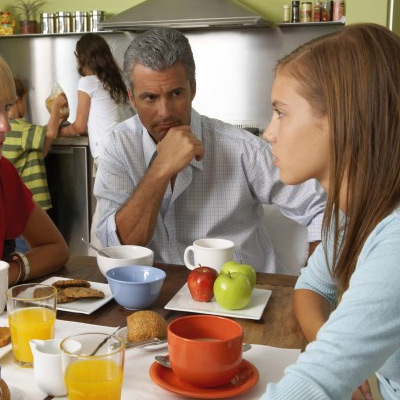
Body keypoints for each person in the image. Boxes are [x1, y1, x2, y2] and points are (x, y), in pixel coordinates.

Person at [94, 27, 326, 273]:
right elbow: (116, 246)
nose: (165, 112)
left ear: (193, 89)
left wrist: (313, 284)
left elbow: (325, 208)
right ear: (131, 97)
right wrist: (161, 169)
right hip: (155, 299)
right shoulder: (119, 147)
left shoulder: (242, 149)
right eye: (150, 97)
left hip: (244, 301)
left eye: (176, 93)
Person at [260, 23, 400, 400]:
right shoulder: (349, 213)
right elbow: (312, 287)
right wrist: (343, 361)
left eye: (280, 113)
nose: (268, 133)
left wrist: (332, 368)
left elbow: (310, 388)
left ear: (339, 119)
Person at [60, 33, 134, 251]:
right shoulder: (116, 82)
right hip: (125, 151)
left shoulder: (87, 82)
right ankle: (120, 256)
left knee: (103, 213)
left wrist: (57, 131)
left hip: (107, 155)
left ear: (83, 57)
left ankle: (96, 264)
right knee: (117, 209)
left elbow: (79, 126)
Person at [0, 55, 69, 286]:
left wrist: (11, 272)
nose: (5, 126)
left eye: (6, 107)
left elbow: (56, 248)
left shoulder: (4, 174)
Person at [4, 77, 67, 253]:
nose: (26, 105)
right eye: (25, 101)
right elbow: (51, 132)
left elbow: (42, 150)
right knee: (32, 251)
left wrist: (58, 119)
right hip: (32, 206)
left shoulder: (16, 133)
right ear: (16, 101)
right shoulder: (21, 129)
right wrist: (55, 108)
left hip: (18, 209)